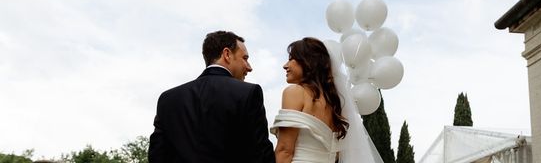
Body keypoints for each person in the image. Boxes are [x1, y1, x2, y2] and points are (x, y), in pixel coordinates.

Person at [149, 30, 275, 163]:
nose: (249, 67)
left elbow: (157, 155)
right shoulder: (248, 92)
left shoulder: (168, 99)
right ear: (227, 54)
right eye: (245, 58)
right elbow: (261, 155)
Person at [271, 37, 383, 163]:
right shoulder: (335, 104)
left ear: (308, 62)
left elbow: (284, 150)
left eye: (291, 59)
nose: (285, 66)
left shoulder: (294, 92)